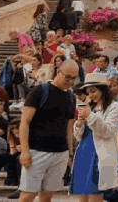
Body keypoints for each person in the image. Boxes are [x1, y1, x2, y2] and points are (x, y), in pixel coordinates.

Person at [18, 59, 79, 202]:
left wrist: (69, 154)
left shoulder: (71, 97)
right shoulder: (39, 91)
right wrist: (25, 151)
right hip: (37, 151)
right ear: (58, 72)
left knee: (47, 195)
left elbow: (69, 128)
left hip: (60, 153)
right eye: (67, 77)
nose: (70, 81)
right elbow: (24, 122)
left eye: (74, 78)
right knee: (28, 194)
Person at [72, 72, 118, 202]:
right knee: (82, 196)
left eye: (93, 91)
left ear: (103, 89)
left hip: (99, 155)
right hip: (84, 152)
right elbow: (78, 136)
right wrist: (78, 124)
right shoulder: (90, 107)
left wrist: (90, 116)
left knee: (95, 195)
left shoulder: (114, 107)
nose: (91, 95)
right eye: (88, 93)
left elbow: (108, 131)